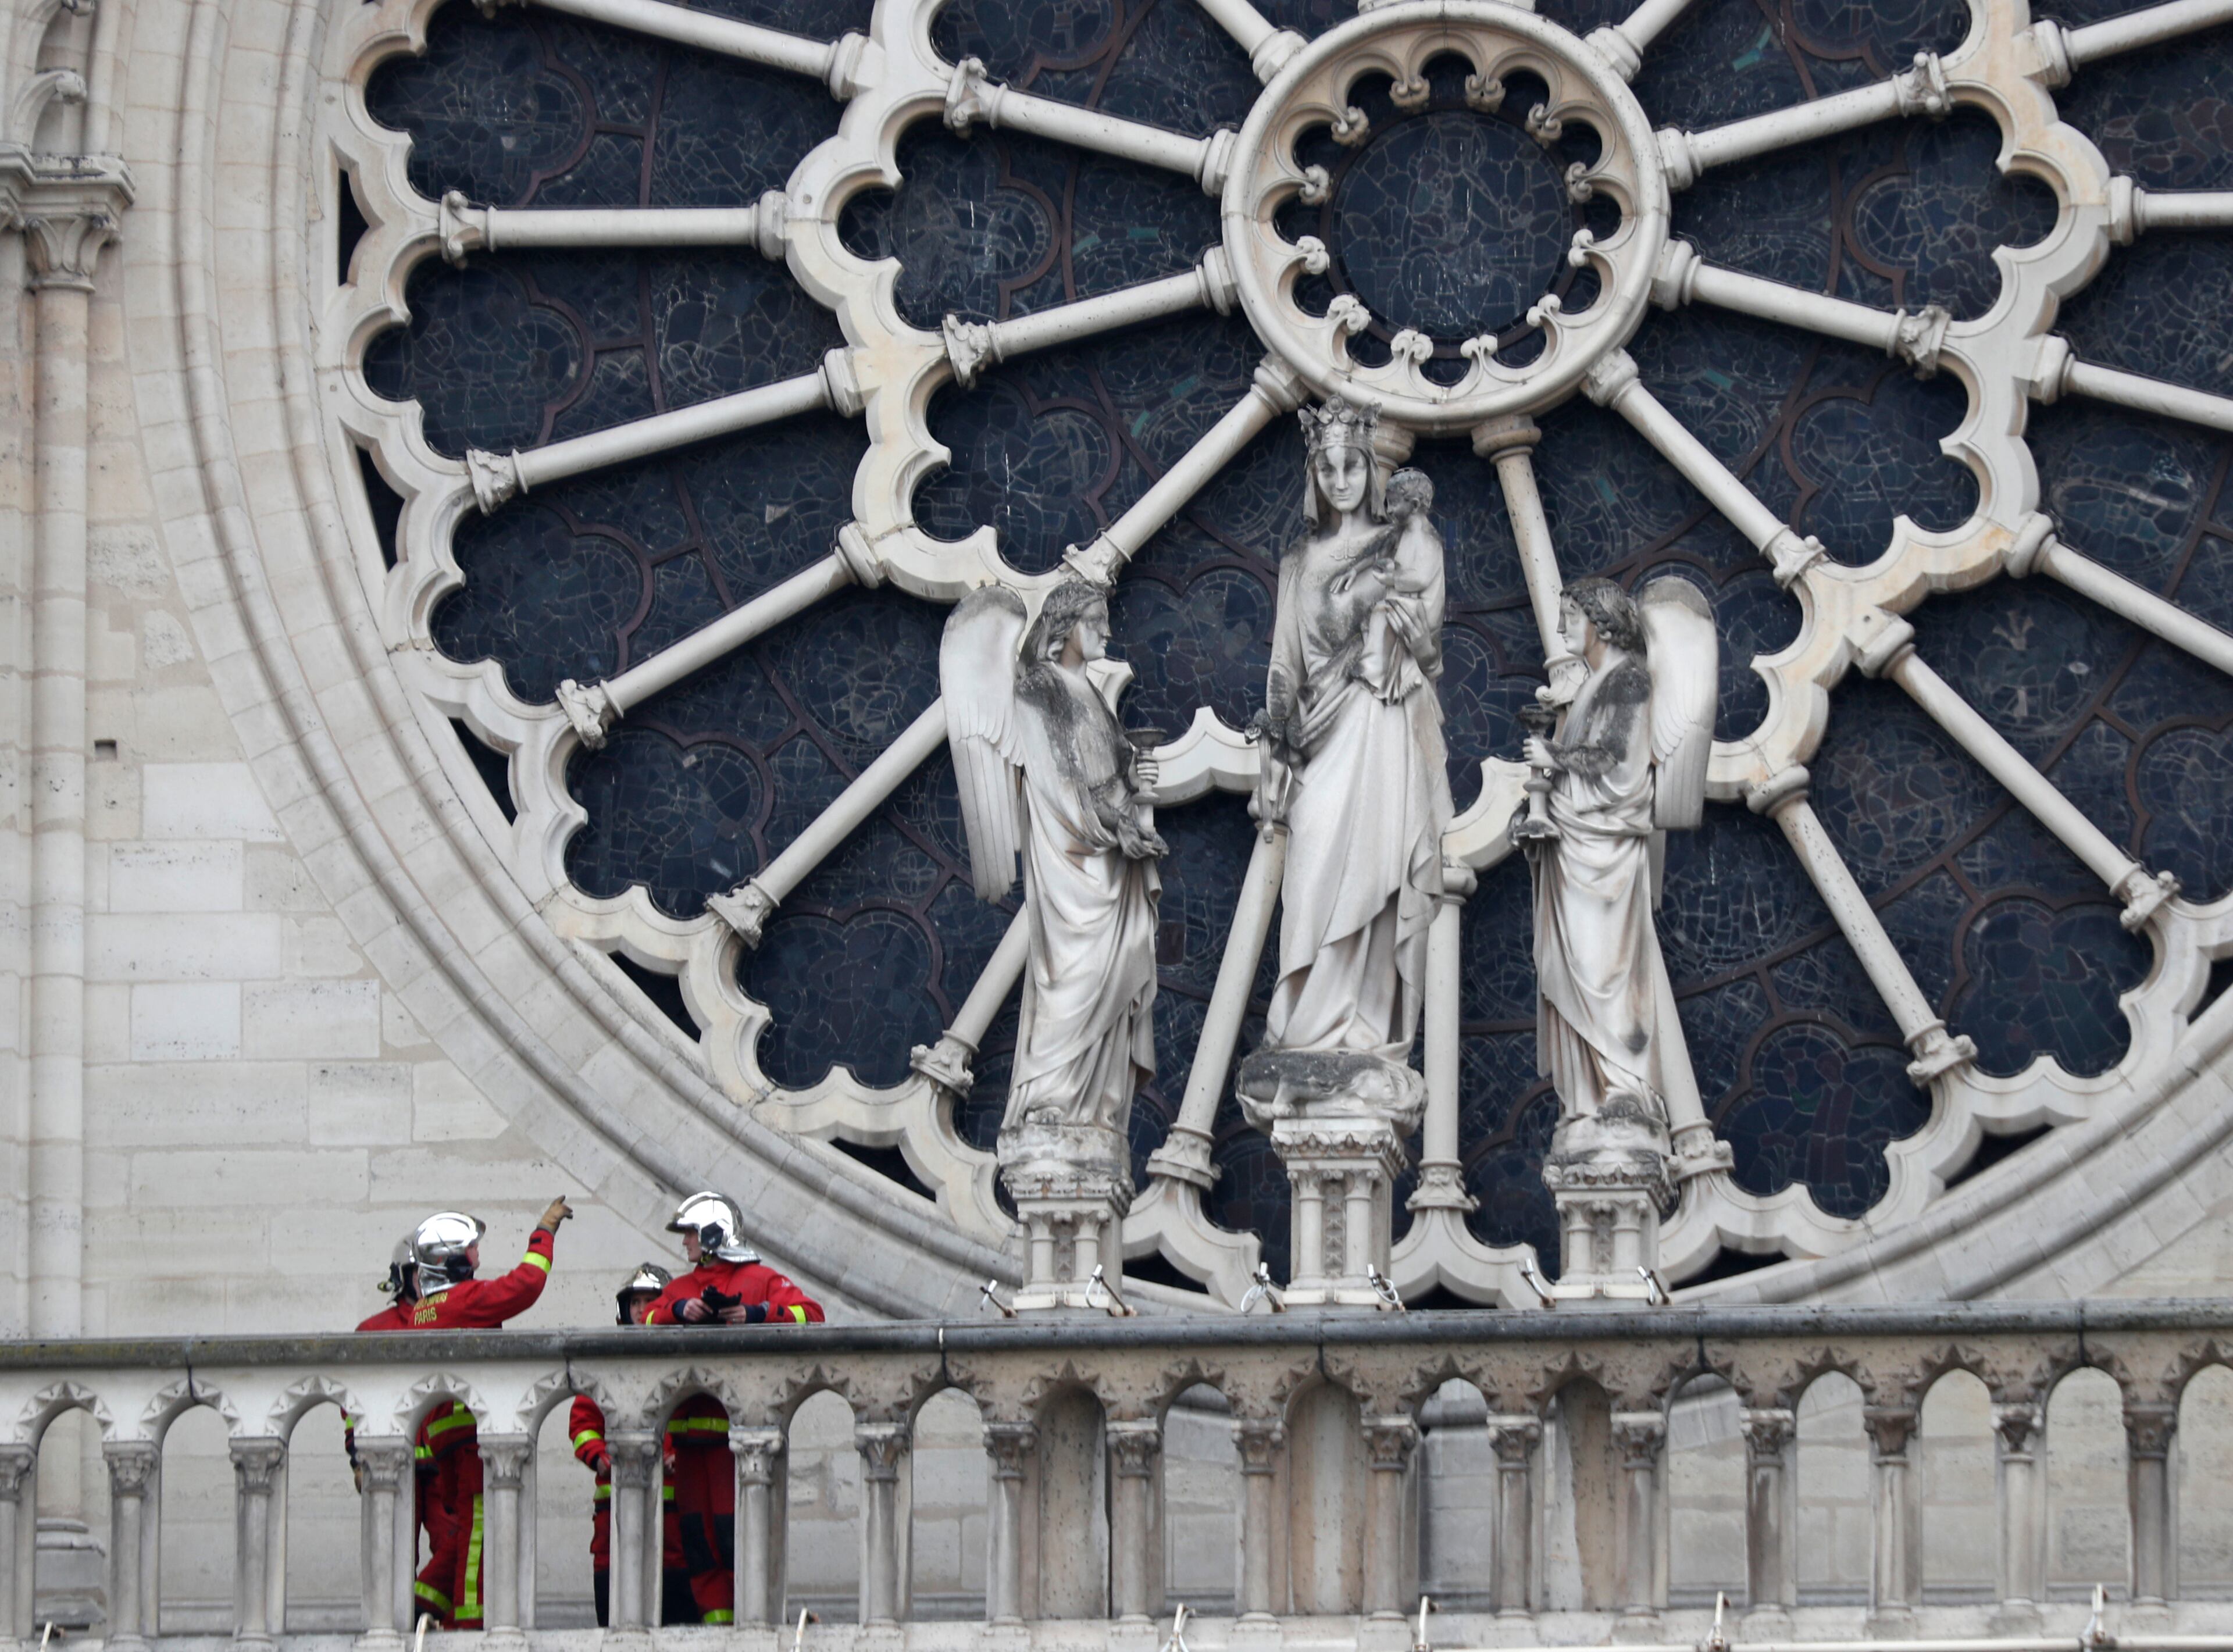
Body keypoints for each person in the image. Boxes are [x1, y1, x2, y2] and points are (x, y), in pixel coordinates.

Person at [1248, 400, 1450, 1072]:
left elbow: (1428, 645)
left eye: (1351, 466)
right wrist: (1276, 736)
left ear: (1370, 469)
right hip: (1317, 734)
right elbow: (1284, 662)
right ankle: (1309, 1021)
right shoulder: (1299, 562)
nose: (1340, 480)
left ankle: (1361, 1025)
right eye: (1326, 468)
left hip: (1378, 719)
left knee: (1376, 869)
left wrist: (1399, 627)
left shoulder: (1403, 545)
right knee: (1309, 884)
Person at [644, 1193, 823, 1625]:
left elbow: (812, 1314)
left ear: (711, 1235)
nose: (685, 1243)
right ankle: (718, 1629)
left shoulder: (759, 1278)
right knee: (699, 1544)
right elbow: (646, 1319)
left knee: (733, 1537)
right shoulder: (681, 1288)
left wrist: (759, 1313)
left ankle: (750, 1626)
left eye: (690, 1233)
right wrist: (678, 1310)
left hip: (736, 1441)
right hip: (689, 1443)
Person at [403, 1198, 573, 1629]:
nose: (478, 1256)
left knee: (462, 1530)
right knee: (481, 1527)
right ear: (454, 1261)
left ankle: (423, 1602)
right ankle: (470, 1623)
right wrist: (544, 1231)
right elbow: (526, 1284)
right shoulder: (464, 1302)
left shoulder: (423, 1310)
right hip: (471, 1438)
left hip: (447, 1437)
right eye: (472, 1249)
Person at [572, 1265, 694, 1626]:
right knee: (614, 1612)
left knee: (678, 1615)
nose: (641, 1310)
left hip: (676, 1518)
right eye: (635, 1302)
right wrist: (599, 1458)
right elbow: (583, 1425)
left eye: (650, 1301)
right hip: (614, 1514)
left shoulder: (688, 1363)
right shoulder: (607, 1365)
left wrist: (679, 1462)